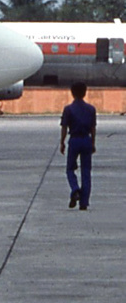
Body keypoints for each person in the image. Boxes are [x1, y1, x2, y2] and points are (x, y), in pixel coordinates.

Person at [60, 82, 96, 210]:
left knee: (70, 169)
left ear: (72, 93)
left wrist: (62, 142)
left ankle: (75, 189)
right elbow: (93, 128)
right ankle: (84, 202)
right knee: (86, 171)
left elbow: (64, 127)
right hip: (86, 139)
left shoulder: (68, 109)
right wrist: (93, 143)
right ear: (85, 93)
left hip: (74, 140)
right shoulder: (91, 109)